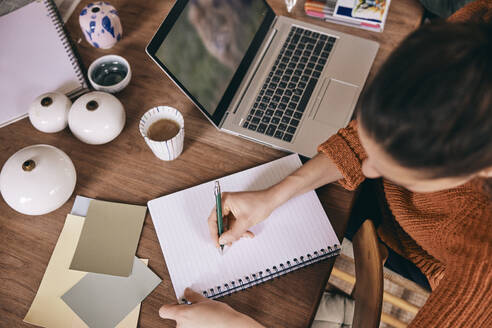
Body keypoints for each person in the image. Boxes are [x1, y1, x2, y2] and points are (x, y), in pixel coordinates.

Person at [158, 21, 492, 328]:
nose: (366, 168)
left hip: (424, 251)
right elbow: (382, 135)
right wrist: (276, 194)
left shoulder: (483, 278)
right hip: (391, 213)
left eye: (394, 164)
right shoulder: (477, 33)